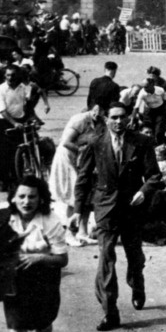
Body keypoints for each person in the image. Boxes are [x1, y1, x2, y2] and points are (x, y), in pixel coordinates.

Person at [73, 101, 162, 331]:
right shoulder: (95, 142)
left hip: (132, 209)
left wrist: (143, 192)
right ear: (106, 119)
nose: (118, 122)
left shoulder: (141, 142)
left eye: (122, 117)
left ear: (129, 118)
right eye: (113, 117)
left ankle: (137, 284)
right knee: (106, 257)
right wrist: (76, 211)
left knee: (135, 255)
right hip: (105, 207)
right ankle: (110, 310)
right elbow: (83, 178)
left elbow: (154, 176)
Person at [2, 175, 68, 332]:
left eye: (32, 197)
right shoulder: (3, 217)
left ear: (41, 199)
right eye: (21, 196)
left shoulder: (50, 221)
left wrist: (39, 258)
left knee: (41, 322)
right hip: (14, 278)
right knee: (16, 325)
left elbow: (62, 259)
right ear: (13, 198)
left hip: (43, 279)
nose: (26, 201)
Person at [49, 102, 104, 238]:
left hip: (82, 159)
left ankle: (82, 233)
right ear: (95, 108)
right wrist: (83, 151)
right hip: (67, 156)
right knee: (74, 195)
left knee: (85, 194)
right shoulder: (79, 119)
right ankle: (69, 235)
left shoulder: (101, 122)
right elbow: (66, 142)